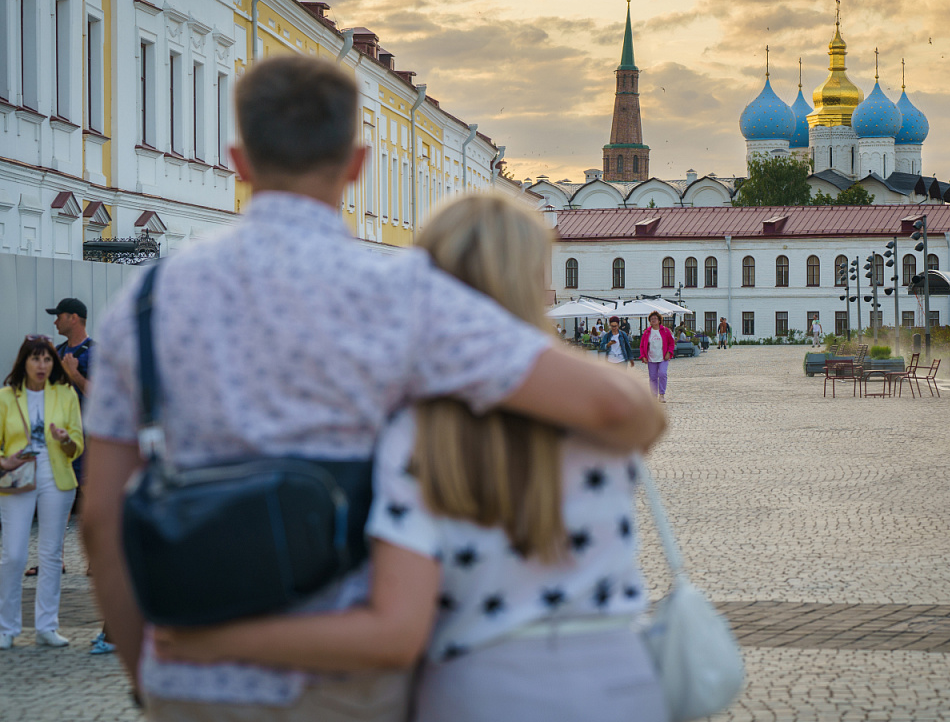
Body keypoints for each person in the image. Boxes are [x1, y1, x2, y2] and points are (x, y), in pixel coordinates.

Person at [81, 55, 666, 720]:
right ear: (357, 165)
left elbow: (102, 520)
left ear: (240, 162)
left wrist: (147, 671)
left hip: (190, 680)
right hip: (344, 681)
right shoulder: (401, 296)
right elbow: (616, 409)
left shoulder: (145, 303)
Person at [154, 194, 668, 722]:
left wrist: (219, 640)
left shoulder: (422, 438)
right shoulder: (605, 419)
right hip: (622, 684)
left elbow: (394, 633)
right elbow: (637, 416)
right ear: (537, 278)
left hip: (480, 693)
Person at [0, 335, 84, 651]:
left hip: (56, 477)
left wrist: (64, 439)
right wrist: (4, 460)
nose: (42, 365)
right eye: (36, 359)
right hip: (17, 478)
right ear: (24, 361)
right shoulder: (6, 396)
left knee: (50, 555)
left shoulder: (65, 394)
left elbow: (78, 446)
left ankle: (47, 627)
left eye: (48, 359)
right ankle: (6, 627)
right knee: (14, 555)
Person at [48, 298, 115, 655]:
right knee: (56, 499)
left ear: (74, 317)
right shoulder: (55, 351)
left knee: (89, 503)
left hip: (89, 441)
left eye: (58, 315)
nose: (55, 321)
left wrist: (72, 374)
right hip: (61, 439)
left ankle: (94, 561)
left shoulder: (96, 353)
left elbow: (103, 397)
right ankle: (52, 558)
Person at [639, 311, 675, 403]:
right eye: (651, 319)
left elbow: (671, 343)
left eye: (655, 319)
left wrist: (669, 352)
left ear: (659, 320)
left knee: (662, 374)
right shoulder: (647, 332)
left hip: (663, 357)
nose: (653, 320)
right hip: (651, 358)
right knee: (653, 377)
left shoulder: (665, 331)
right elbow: (642, 345)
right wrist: (643, 356)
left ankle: (662, 394)